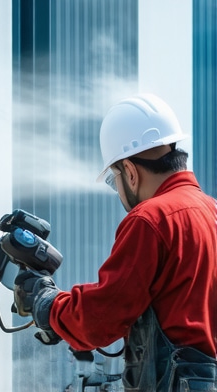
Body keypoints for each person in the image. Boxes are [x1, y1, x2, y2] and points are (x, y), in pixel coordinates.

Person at [13, 93, 217, 391]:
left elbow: (102, 318)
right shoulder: (211, 211)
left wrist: (48, 304)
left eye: (114, 180)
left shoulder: (150, 219)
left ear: (131, 172)